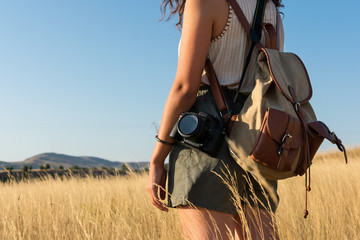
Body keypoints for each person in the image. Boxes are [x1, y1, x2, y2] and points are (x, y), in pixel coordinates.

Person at [147, 0, 284, 239]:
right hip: (258, 136)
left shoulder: (204, 2)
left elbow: (185, 88)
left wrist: (157, 159)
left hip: (206, 136)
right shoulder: (271, 11)